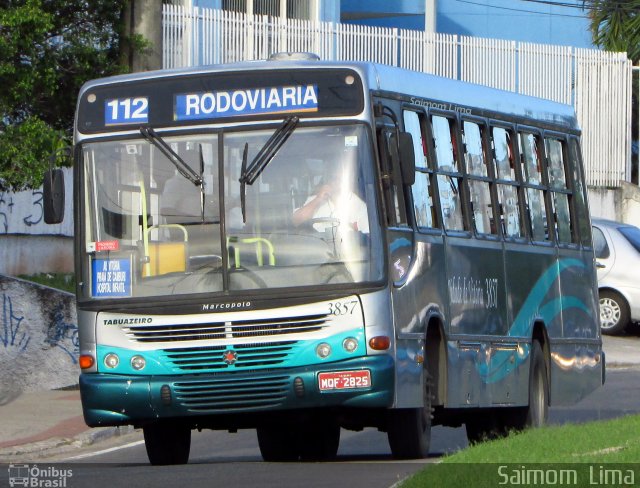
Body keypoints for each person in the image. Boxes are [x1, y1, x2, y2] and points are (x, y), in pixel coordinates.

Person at [292, 174, 369, 234]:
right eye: (333, 178)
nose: (335, 182)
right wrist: (318, 199)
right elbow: (296, 221)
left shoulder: (355, 202)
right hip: (313, 249)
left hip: (343, 250)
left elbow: (367, 232)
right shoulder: (315, 199)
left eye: (338, 178)